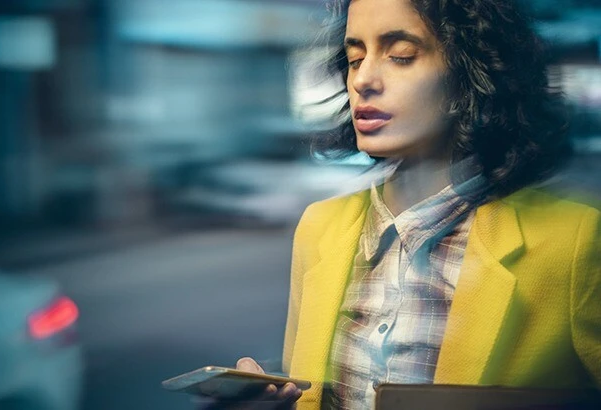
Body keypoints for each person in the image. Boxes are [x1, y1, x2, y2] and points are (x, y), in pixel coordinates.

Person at [201, 0, 601, 409]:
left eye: (400, 56)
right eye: (356, 58)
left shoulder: (575, 241)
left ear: (469, 75)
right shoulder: (319, 227)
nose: (364, 80)